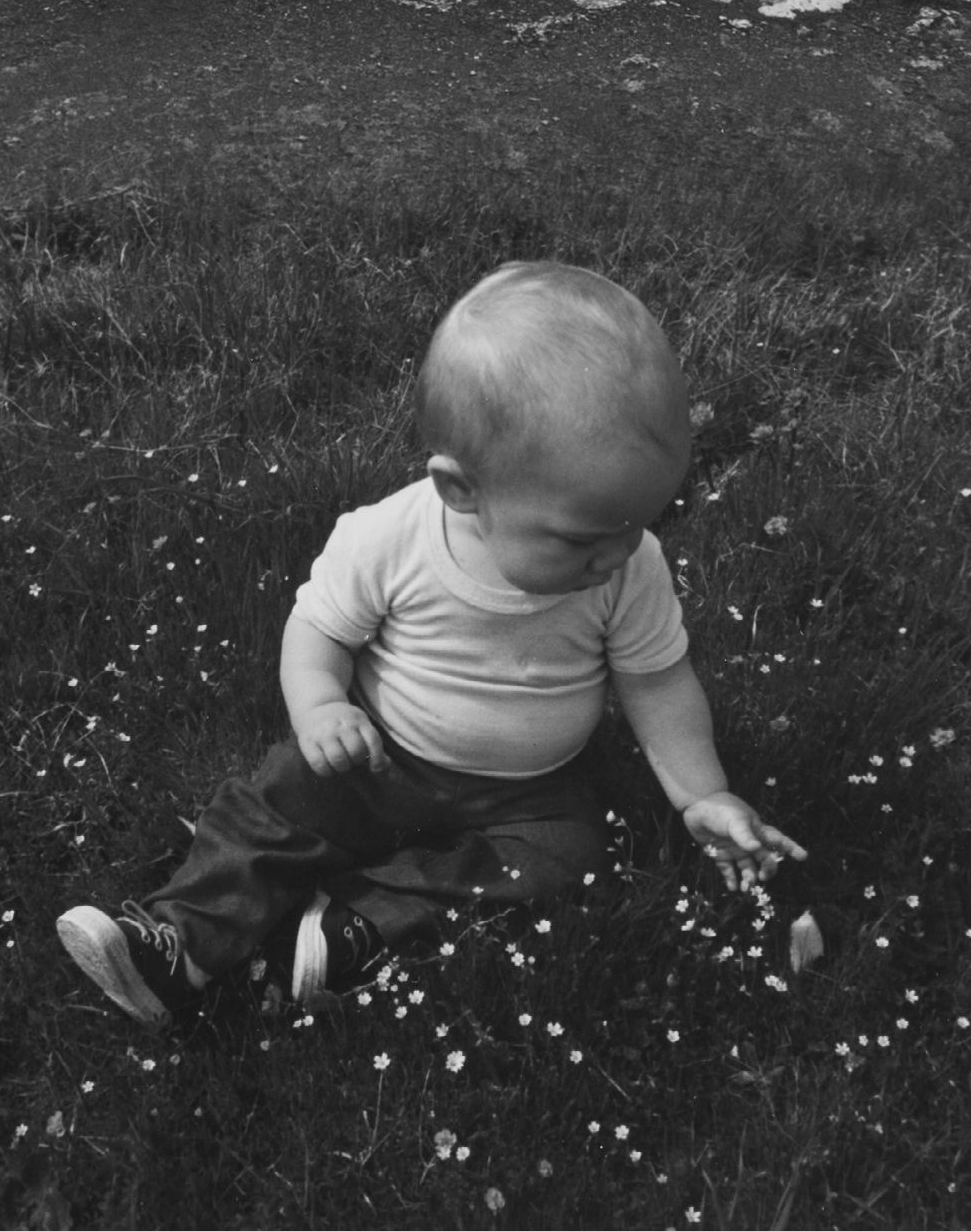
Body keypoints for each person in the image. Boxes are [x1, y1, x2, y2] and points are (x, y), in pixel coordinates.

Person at [57, 261, 803, 1028]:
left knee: (568, 855)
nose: (615, 553)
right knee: (278, 797)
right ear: (461, 490)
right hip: (379, 759)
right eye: (583, 538)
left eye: (640, 522)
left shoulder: (625, 564)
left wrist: (701, 794)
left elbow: (658, 682)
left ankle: (353, 925)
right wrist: (320, 709)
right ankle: (180, 944)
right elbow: (318, 629)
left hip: (529, 790)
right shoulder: (389, 540)